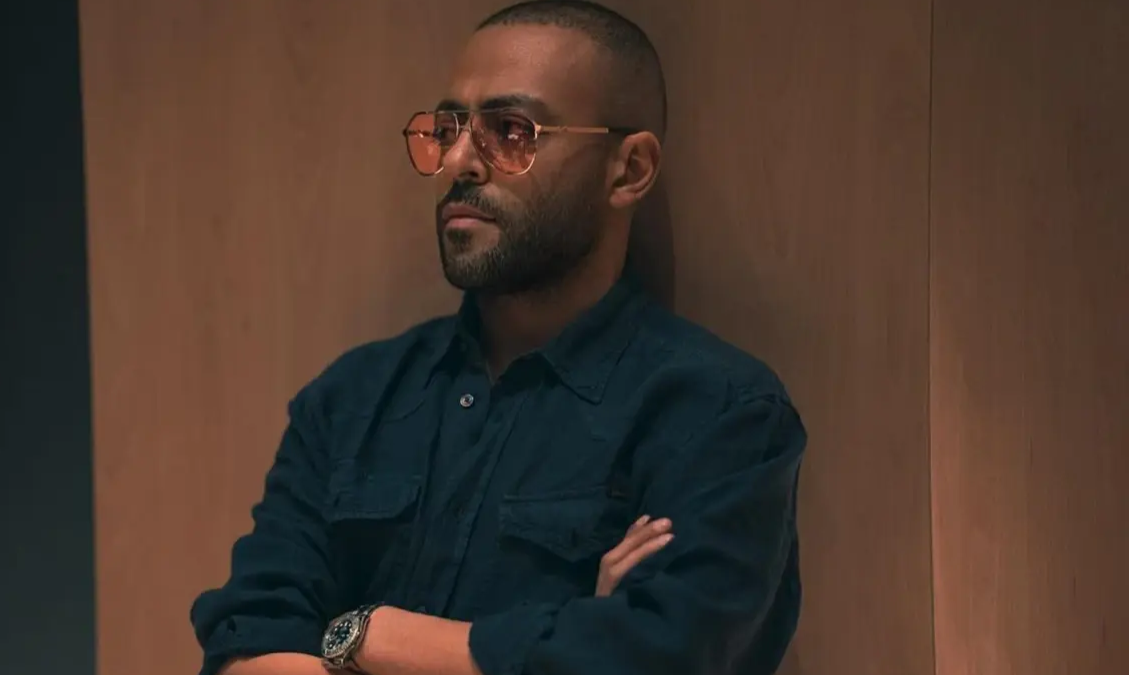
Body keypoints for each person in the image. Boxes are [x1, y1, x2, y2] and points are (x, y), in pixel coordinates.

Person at [190, 1, 807, 674]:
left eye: (511, 131)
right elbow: (247, 644)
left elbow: (658, 654)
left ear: (628, 170)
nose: (458, 160)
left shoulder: (718, 414)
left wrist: (370, 635)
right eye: (448, 129)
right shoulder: (351, 400)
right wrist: (563, 642)